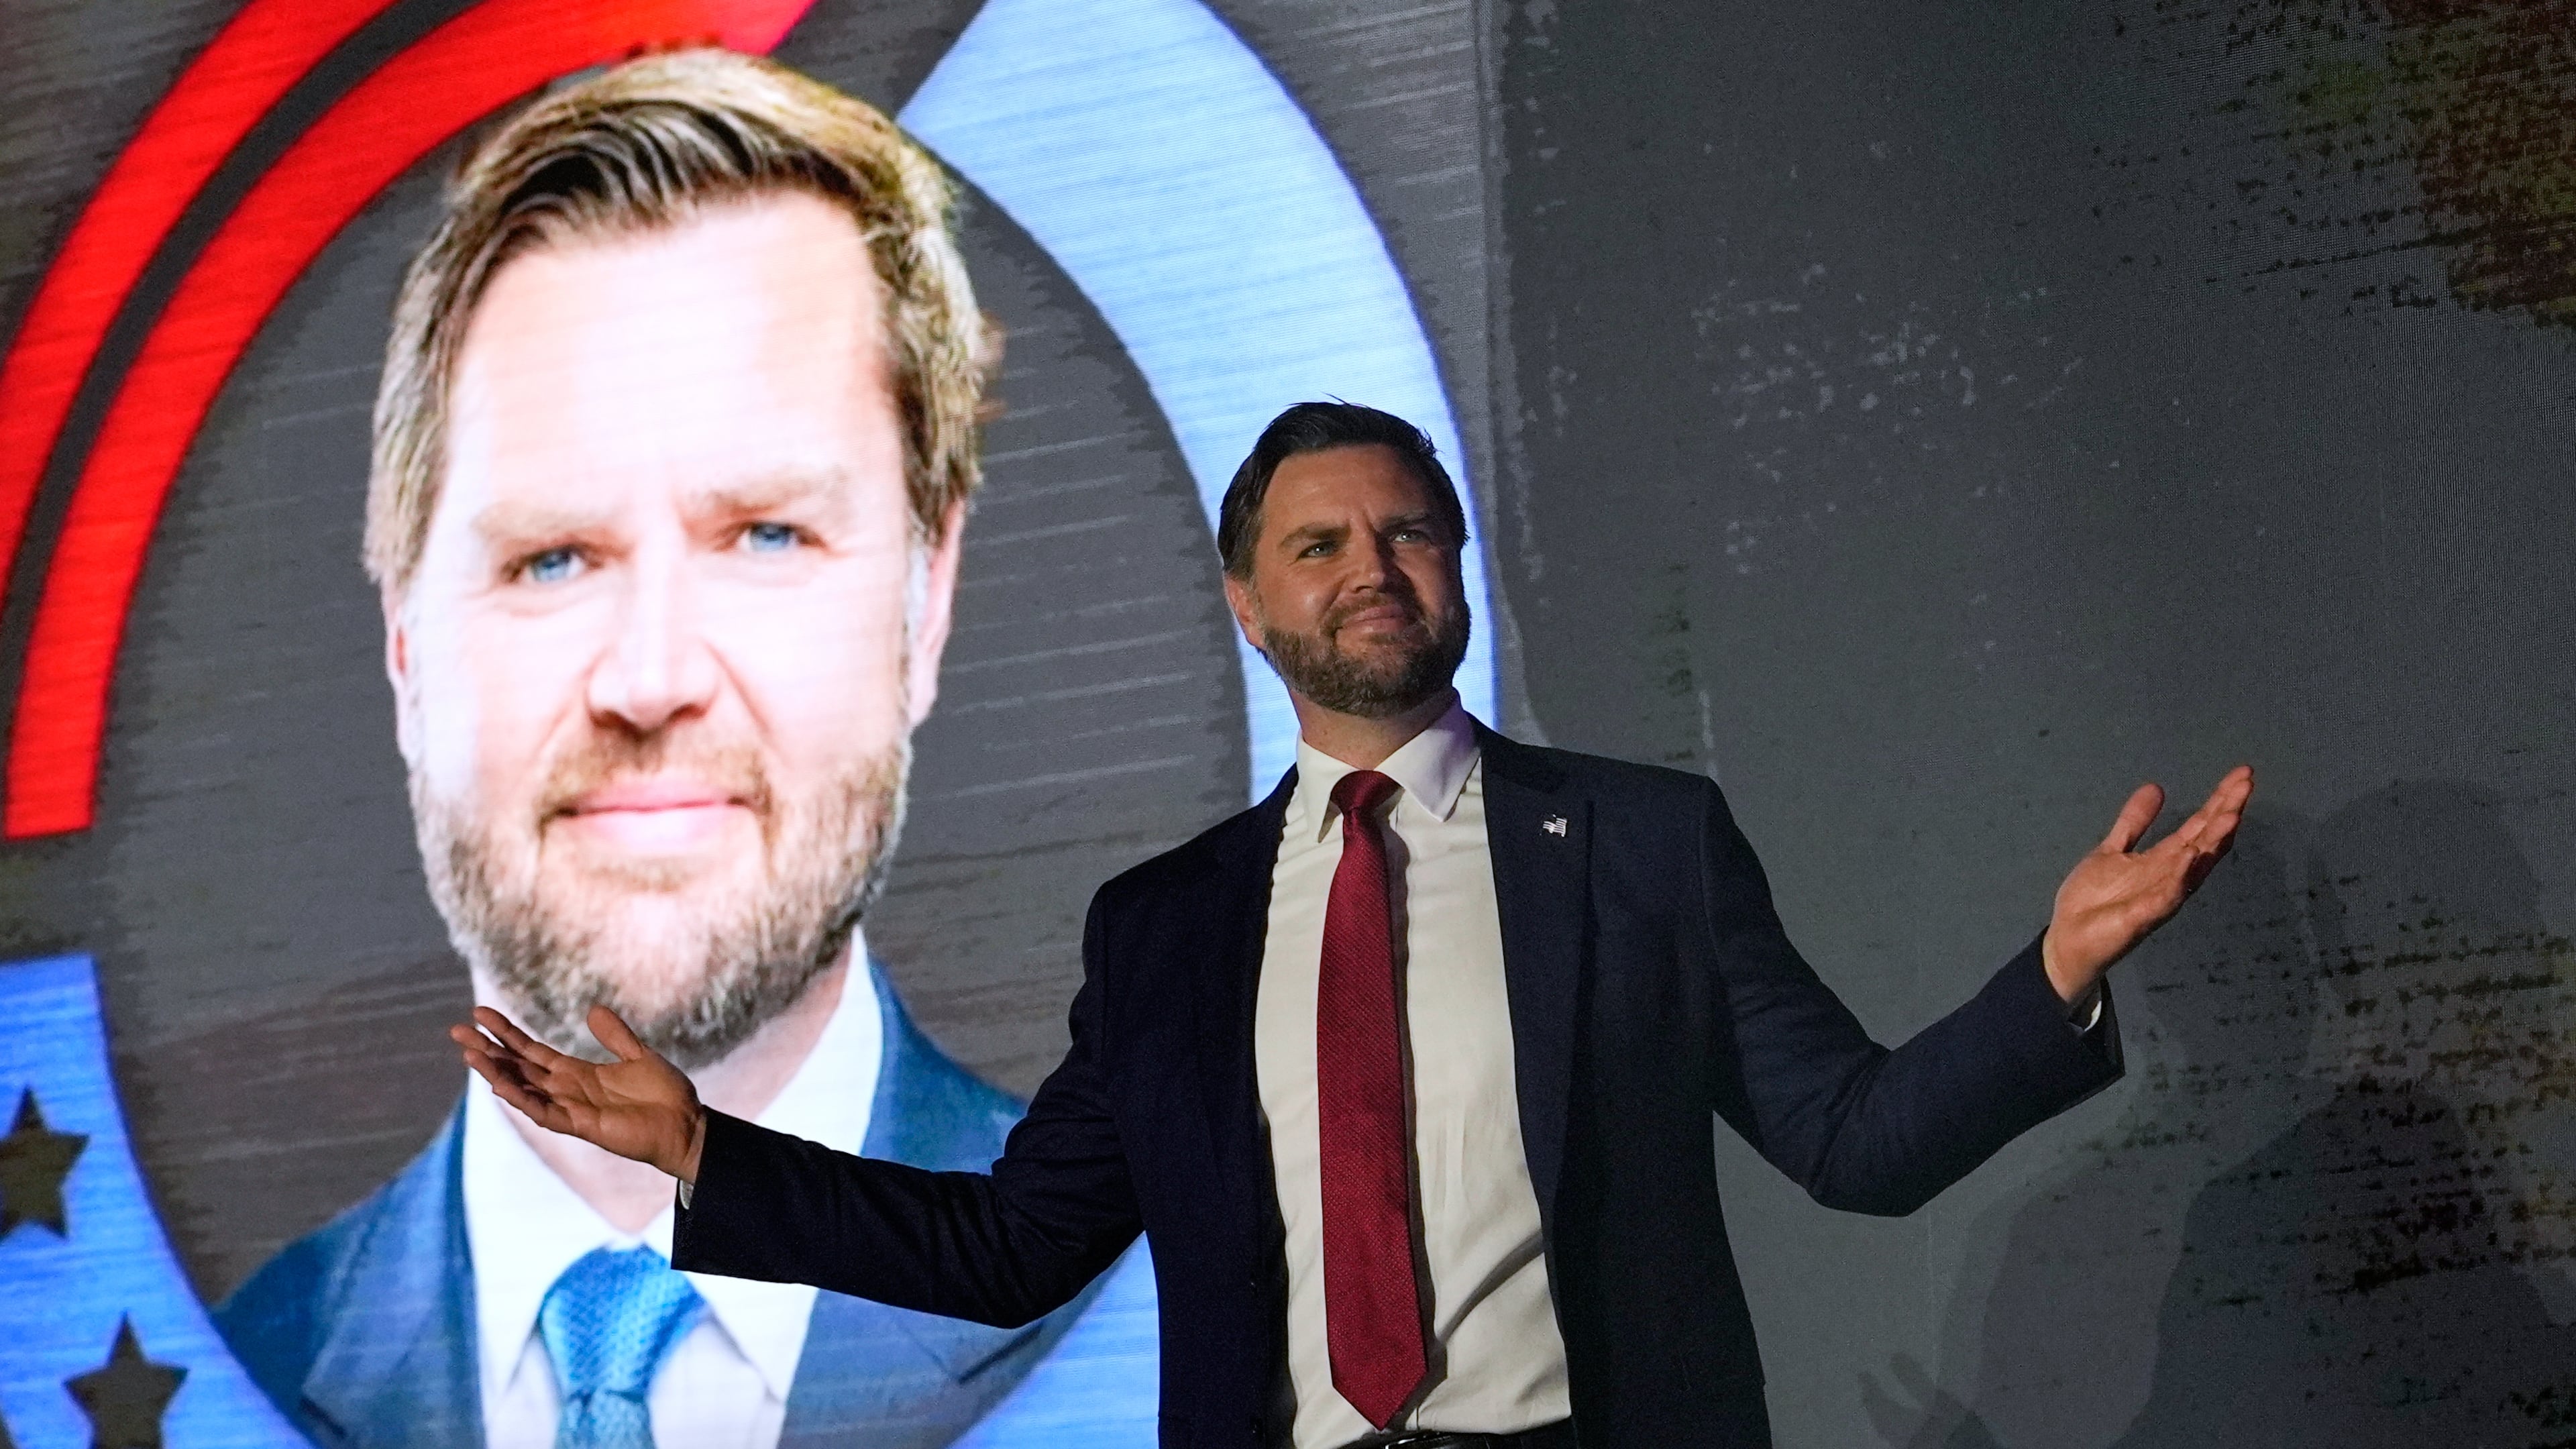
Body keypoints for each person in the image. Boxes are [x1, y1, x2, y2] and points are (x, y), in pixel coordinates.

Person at [457, 400, 2253, 1448]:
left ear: (1460, 572)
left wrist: (2057, 976)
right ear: (1250, 604)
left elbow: (1854, 1144)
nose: (1371, 569)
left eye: (1409, 534)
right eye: (1319, 546)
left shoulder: (1638, 843)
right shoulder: (1165, 930)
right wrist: (707, 1151)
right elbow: (1015, 1250)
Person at [217, 50, 1142, 1449]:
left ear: (926, 603)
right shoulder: (198, 1380)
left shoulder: (1174, 1306)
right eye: (550, 558)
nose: (649, 680)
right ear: (405, 639)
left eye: (766, 535)